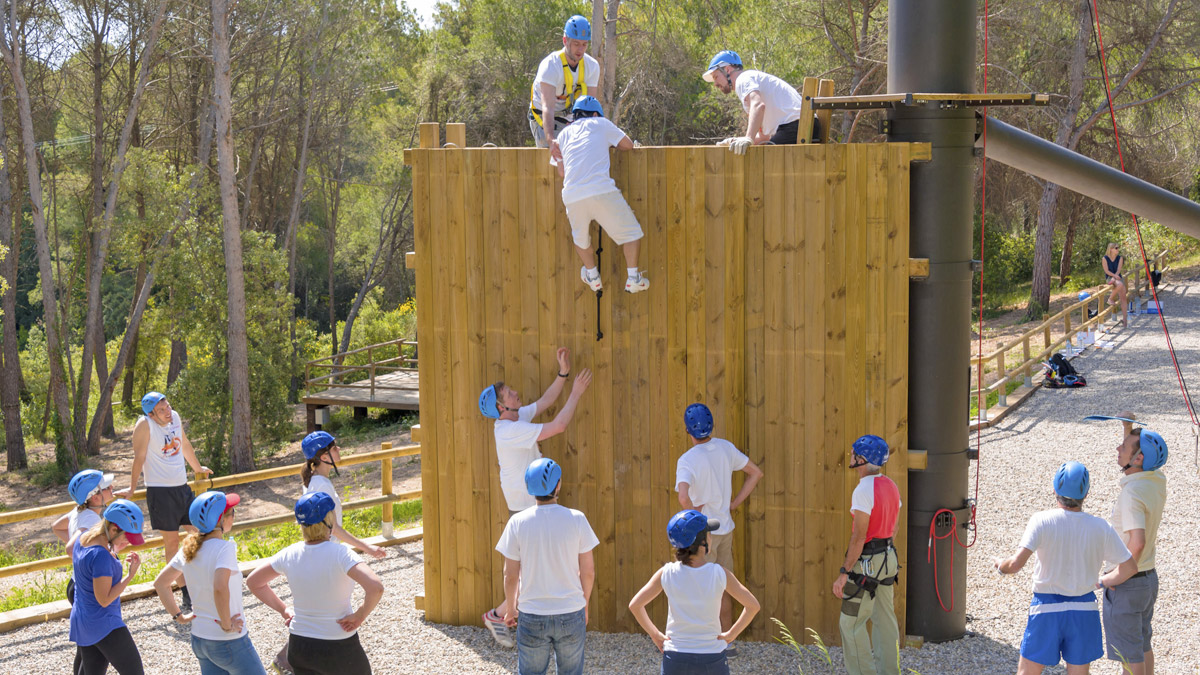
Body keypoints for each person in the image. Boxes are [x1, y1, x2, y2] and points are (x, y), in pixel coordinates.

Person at [478, 348, 592, 647]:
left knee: (530, 569)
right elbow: (559, 426)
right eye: (509, 393)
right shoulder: (507, 431)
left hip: (533, 502)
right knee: (527, 571)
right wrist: (577, 392)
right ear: (502, 408)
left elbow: (546, 402)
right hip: (524, 506)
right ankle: (499, 615)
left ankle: (500, 614)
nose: (516, 393)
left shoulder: (516, 418)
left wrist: (563, 373)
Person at [995, 461, 1139, 675]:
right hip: (1084, 608)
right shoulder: (1101, 527)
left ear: (1055, 490)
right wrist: (1102, 581)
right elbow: (1130, 568)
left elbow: (1015, 564)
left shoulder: (1041, 520)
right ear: (1086, 493)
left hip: (1046, 608)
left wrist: (1000, 566)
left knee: (1028, 672)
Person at [268, 431, 386, 673]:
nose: (339, 449)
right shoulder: (320, 485)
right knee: (326, 610)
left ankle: (288, 658)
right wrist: (367, 547)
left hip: (325, 549)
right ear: (323, 457)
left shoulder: (319, 481)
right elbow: (336, 528)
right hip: (326, 551)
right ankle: (284, 659)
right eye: (334, 448)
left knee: (318, 608)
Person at [247, 492, 385, 675]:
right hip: (339, 645)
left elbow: (253, 582)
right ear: (329, 520)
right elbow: (375, 587)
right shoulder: (342, 554)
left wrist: (283, 609)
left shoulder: (289, 553)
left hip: (300, 646)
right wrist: (360, 615)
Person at [495, 458, 599, 675]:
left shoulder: (517, 523)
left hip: (532, 613)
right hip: (571, 611)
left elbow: (510, 575)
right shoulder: (577, 519)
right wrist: (584, 604)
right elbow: (588, 572)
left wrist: (511, 608)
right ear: (558, 484)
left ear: (528, 486)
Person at [628, 509, 761, 675]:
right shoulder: (719, 573)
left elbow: (635, 605)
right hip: (712, 657)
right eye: (709, 534)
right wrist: (731, 634)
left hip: (675, 657)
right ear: (703, 542)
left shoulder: (667, 573)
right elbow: (753, 605)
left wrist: (655, 634)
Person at [675, 402, 763, 648]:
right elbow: (755, 473)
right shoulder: (725, 448)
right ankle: (726, 643)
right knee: (724, 587)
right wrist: (734, 503)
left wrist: (692, 515)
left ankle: (700, 643)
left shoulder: (687, 460)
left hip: (702, 534)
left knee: (698, 588)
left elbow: (683, 497)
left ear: (687, 431)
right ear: (711, 426)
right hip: (725, 529)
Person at [153, 490, 267, 675]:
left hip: (200, 639)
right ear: (220, 520)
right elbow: (220, 587)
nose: (234, 516)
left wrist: (179, 617)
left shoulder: (188, 549)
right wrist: (226, 625)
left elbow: (160, 584)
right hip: (227, 640)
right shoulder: (225, 548)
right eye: (232, 513)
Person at [117, 391, 211, 612]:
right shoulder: (144, 425)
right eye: (162, 410)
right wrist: (131, 488)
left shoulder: (175, 417)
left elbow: (184, 443)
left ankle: (201, 580)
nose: (167, 412)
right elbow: (139, 456)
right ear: (151, 414)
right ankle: (186, 592)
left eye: (168, 406)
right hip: (160, 491)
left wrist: (198, 468)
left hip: (182, 488)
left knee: (199, 534)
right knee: (171, 544)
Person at [551, 95, 648, 294]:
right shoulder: (601, 123)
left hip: (572, 194)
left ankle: (592, 276)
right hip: (600, 190)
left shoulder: (563, 134)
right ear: (595, 114)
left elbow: (561, 172)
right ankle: (633, 278)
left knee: (581, 239)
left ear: (575, 116)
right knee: (632, 234)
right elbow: (628, 145)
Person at [1101, 415, 1168, 675]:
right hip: (1148, 579)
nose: (1118, 449)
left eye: (1124, 446)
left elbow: (1137, 543)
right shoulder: (1155, 480)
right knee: (1141, 645)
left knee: (1129, 656)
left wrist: (1115, 577)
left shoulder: (1132, 494)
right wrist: (1127, 429)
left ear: (1138, 458)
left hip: (1128, 583)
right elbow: (1135, 459)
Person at [831, 434, 902, 675]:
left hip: (868, 563)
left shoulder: (863, 490)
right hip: (889, 559)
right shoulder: (891, 485)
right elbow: (894, 528)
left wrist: (844, 572)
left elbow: (859, 537)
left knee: (850, 623)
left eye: (853, 453)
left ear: (861, 460)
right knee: (885, 620)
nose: (850, 456)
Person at [69, 498, 147, 675]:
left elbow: (89, 570)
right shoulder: (101, 556)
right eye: (127, 537)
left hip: (84, 620)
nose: (128, 542)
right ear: (113, 529)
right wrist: (129, 575)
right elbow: (104, 599)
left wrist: (114, 551)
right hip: (104, 623)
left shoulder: (84, 538)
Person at [702, 50, 806, 153]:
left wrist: (748, 138)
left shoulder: (743, 79)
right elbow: (763, 137)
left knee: (766, 162)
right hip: (801, 126)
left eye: (716, 77)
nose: (715, 84)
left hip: (796, 126)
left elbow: (758, 105)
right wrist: (734, 141)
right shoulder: (749, 82)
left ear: (727, 70)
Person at [529, 15, 600, 149]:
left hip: (568, 116)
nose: (580, 50)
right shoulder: (550, 65)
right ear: (565, 41)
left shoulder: (592, 66)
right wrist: (551, 140)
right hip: (542, 115)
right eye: (576, 44)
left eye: (584, 44)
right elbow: (547, 108)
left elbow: (590, 108)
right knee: (552, 153)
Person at [53, 469, 115, 547]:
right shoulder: (91, 519)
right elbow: (70, 548)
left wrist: (80, 550)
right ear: (95, 498)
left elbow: (56, 527)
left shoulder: (78, 511)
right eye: (107, 487)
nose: (112, 486)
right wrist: (77, 549)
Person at [1103, 243, 1129, 327]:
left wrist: (1115, 276)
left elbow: (1118, 270)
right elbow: (1106, 271)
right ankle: (1110, 298)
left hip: (1117, 277)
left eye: (1118, 248)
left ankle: (1125, 319)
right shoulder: (1105, 258)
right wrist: (1113, 277)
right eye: (1116, 248)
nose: (1118, 249)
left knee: (1123, 298)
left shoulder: (1120, 258)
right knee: (1120, 284)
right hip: (1109, 277)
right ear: (1111, 249)